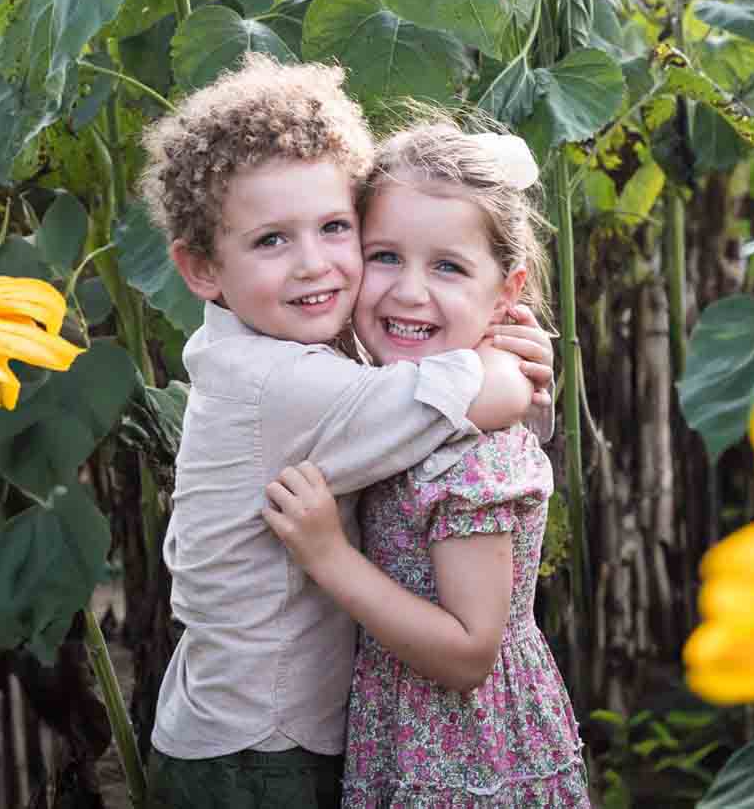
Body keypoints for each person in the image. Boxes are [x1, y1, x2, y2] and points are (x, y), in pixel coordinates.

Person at [140, 55, 555, 808]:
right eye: (272, 240)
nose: (313, 266)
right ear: (201, 268)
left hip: (247, 726)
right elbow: (455, 395)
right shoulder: (282, 382)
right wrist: (513, 367)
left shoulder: (267, 350)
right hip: (263, 748)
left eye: (336, 228)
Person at [263, 117, 589, 807]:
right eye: (385, 256)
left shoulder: (468, 454)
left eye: (447, 265)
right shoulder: (390, 396)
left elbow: (470, 653)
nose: (409, 291)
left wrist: (329, 557)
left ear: (508, 289)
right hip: (408, 735)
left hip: (467, 756)